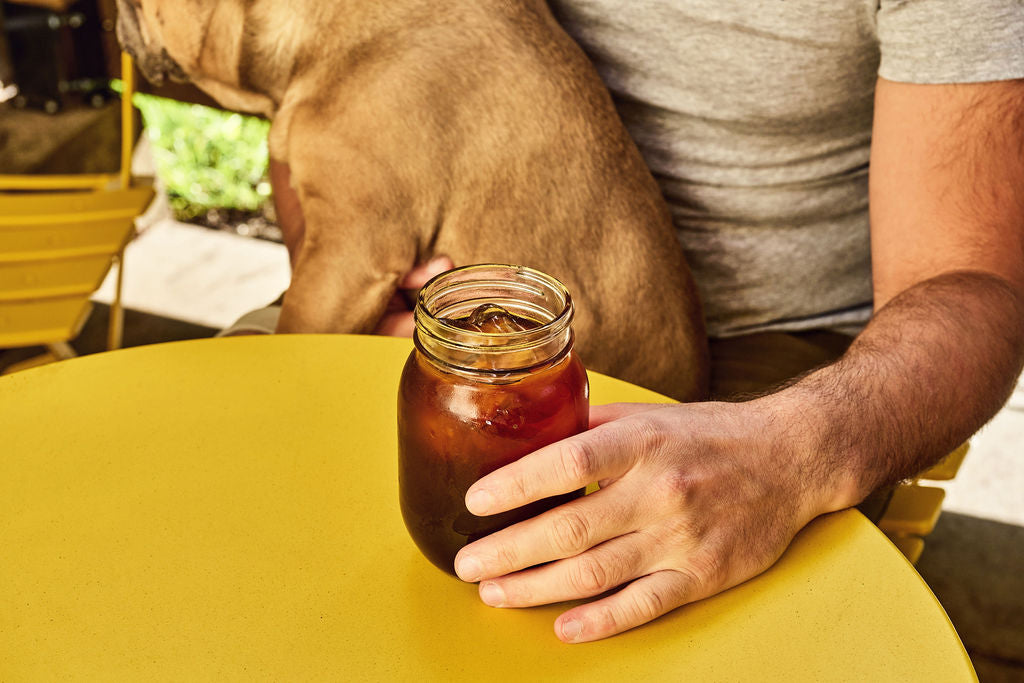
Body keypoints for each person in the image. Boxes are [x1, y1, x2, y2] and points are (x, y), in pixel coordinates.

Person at [265, 2, 1024, 643]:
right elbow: (319, 67)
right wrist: (376, 294)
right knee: (261, 517)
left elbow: (978, 285)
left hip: (768, 372)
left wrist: (792, 451)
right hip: (464, 322)